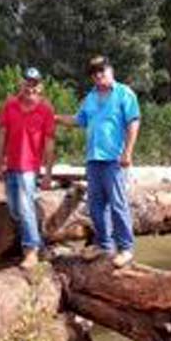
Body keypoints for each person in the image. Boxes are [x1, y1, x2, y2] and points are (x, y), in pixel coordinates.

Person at [56, 56, 140, 268]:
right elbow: (79, 120)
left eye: (102, 71)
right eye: (95, 73)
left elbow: (133, 122)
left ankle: (126, 248)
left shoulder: (124, 93)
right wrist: (56, 118)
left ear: (110, 70)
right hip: (94, 159)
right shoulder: (91, 97)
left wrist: (128, 152)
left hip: (115, 160)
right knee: (96, 206)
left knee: (118, 205)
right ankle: (104, 244)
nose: (99, 75)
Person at [0, 67, 56, 269]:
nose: (30, 87)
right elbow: (2, 134)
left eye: (35, 83)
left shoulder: (46, 109)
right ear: (21, 83)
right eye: (27, 82)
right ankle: (36, 241)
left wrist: (47, 173)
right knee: (14, 209)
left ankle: (31, 250)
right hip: (11, 165)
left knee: (24, 206)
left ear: (40, 86)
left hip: (30, 168)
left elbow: (49, 143)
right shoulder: (10, 105)